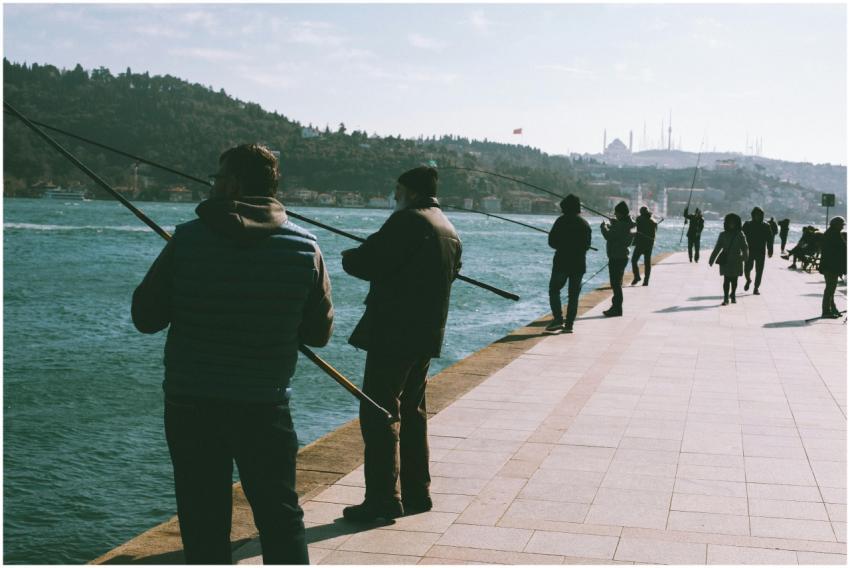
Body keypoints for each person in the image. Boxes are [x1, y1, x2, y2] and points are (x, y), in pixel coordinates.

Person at [131, 144, 333, 564]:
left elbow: (146, 317)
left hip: (192, 404)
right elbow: (319, 334)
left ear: (233, 184)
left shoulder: (187, 239)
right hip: (265, 403)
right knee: (280, 516)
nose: (212, 184)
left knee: (203, 518)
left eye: (216, 177)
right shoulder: (305, 246)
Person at [341, 166, 462, 522]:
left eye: (397, 191)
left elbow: (368, 262)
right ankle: (416, 492)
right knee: (413, 412)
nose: (394, 197)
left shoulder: (407, 221)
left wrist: (349, 256)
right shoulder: (448, 228)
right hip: (426, 335)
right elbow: (453, 270)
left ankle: (382, 499)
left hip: (393, 332)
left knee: (379, 412)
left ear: (408, 191)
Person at [545, 194, 592, 334]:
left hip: (561, 262)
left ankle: (558, 319)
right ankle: (569, 325)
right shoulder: (584, 224)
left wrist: (563, 245)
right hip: (578, 264)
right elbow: (586, 246)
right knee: (573, 295)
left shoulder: (560, 221)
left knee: (554, 290)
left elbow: (552, 243)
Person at [600, 201, 635, 317]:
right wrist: (615, 224)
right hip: (624, 256)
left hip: (616, 256)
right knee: (617, 283)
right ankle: (616, 307)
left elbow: (609, 236)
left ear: (621, 213)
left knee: (615, 284)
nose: (615, 215)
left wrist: (603, 227)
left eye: (616, 213)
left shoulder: (621, 225)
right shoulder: (633, 224)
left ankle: (617, 308)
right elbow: (625, 233)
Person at [709, 213, 749, 305]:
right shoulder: (722, 234)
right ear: (726, 223)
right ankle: (726, 297)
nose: (731, 224)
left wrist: (745, 256)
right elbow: (717, 247)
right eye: (730, 222)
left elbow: (745, 247)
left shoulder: (740, 234)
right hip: (725, 260)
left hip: (737, 260)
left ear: (737, 223)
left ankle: (733, 294)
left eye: (733, 222)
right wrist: (712, 258)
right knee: (726, 279)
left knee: (734, 280)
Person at [742, 207, 774, 295]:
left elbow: (770, 239)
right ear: (753, 215)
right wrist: (740, 249)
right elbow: (741, 237)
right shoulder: (747, 224)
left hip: (761, 251)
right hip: (749, 250)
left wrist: (770, 250)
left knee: (759, 270)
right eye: (756, 215)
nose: (758, 216)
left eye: (760, 215)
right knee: (747, 268)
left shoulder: (766, 226)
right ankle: (748, 280)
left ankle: (756, 287)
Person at [819, 216, 846, 319]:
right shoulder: (832, 235)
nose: (842, 227)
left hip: (831, 266)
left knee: (831, 289)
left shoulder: (832, 233)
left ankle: (833, 308)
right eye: (841, 225)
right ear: (836, 225)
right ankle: (826, 310)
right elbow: (836, 252)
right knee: (830, 288)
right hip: (830, 266)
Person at [631, 206, 658, 286]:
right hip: (650, 244)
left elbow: (634, 227)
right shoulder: (654, 221)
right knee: (647, 263)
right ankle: (646, 281)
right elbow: (655, 232)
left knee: (634, 260)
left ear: (641, 212)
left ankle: (637, 277)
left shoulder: (639, 219)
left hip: (640, 244)